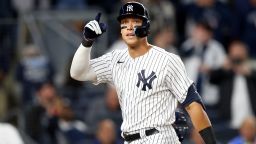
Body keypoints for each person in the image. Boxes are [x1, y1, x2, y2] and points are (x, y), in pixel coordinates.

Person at [70, 2, 216, 143]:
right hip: (129, 139)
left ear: (146, 27)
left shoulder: (166, 60)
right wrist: (87, 42)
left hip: (159, 137)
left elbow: (193, 104)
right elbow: (78, 73)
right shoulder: (114, 59)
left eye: (135, 22)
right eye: (125, 23)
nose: (129, 27)